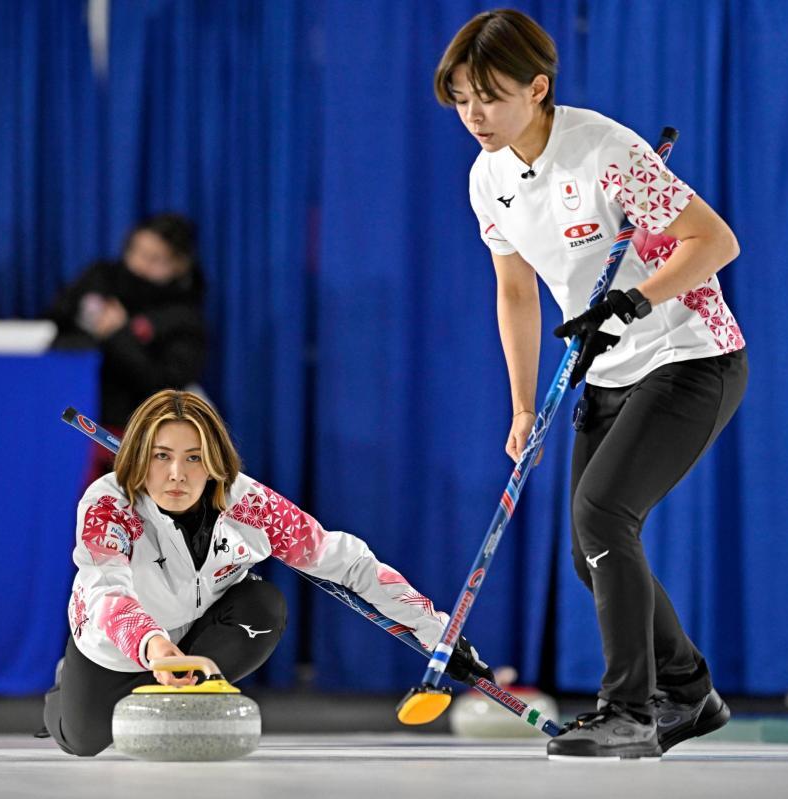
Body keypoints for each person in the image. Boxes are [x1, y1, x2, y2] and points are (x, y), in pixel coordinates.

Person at [434, 10, 746, 759]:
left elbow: (716, 241)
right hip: (605, 369)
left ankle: (628, 710)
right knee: (590, 548)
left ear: (538, 88)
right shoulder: (487, 176)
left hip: (689, 355)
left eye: (492, 95)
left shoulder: (606, 151)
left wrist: (635, 297)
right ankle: (689, 689)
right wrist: (519, 403)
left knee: (602, 514)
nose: (474, 113)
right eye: (461, 97)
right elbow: (515, 290)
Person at [42, 389, 489, 756]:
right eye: (161, 456)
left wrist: (438, 633)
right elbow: (105, 592)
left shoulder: (249, 504)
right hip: (120, 642)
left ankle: (182, 695)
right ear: (140, 455)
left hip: (203, 627)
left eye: (193, 458)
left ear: (215, 460)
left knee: (264, 606)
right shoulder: (109, 504)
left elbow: (347, 561)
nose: (176, 474)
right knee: (84, 739)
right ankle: (70, 685)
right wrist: (155, 646)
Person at [46, 213, 207, 477]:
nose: (139, 265)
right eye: (136, 252)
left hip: (136, 433)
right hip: (73, 418)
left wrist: (119, 335)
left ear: (179, 265)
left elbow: (167, 384)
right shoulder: (100, 278)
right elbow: (56, 327)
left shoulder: (183, 316)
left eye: (155, 259)